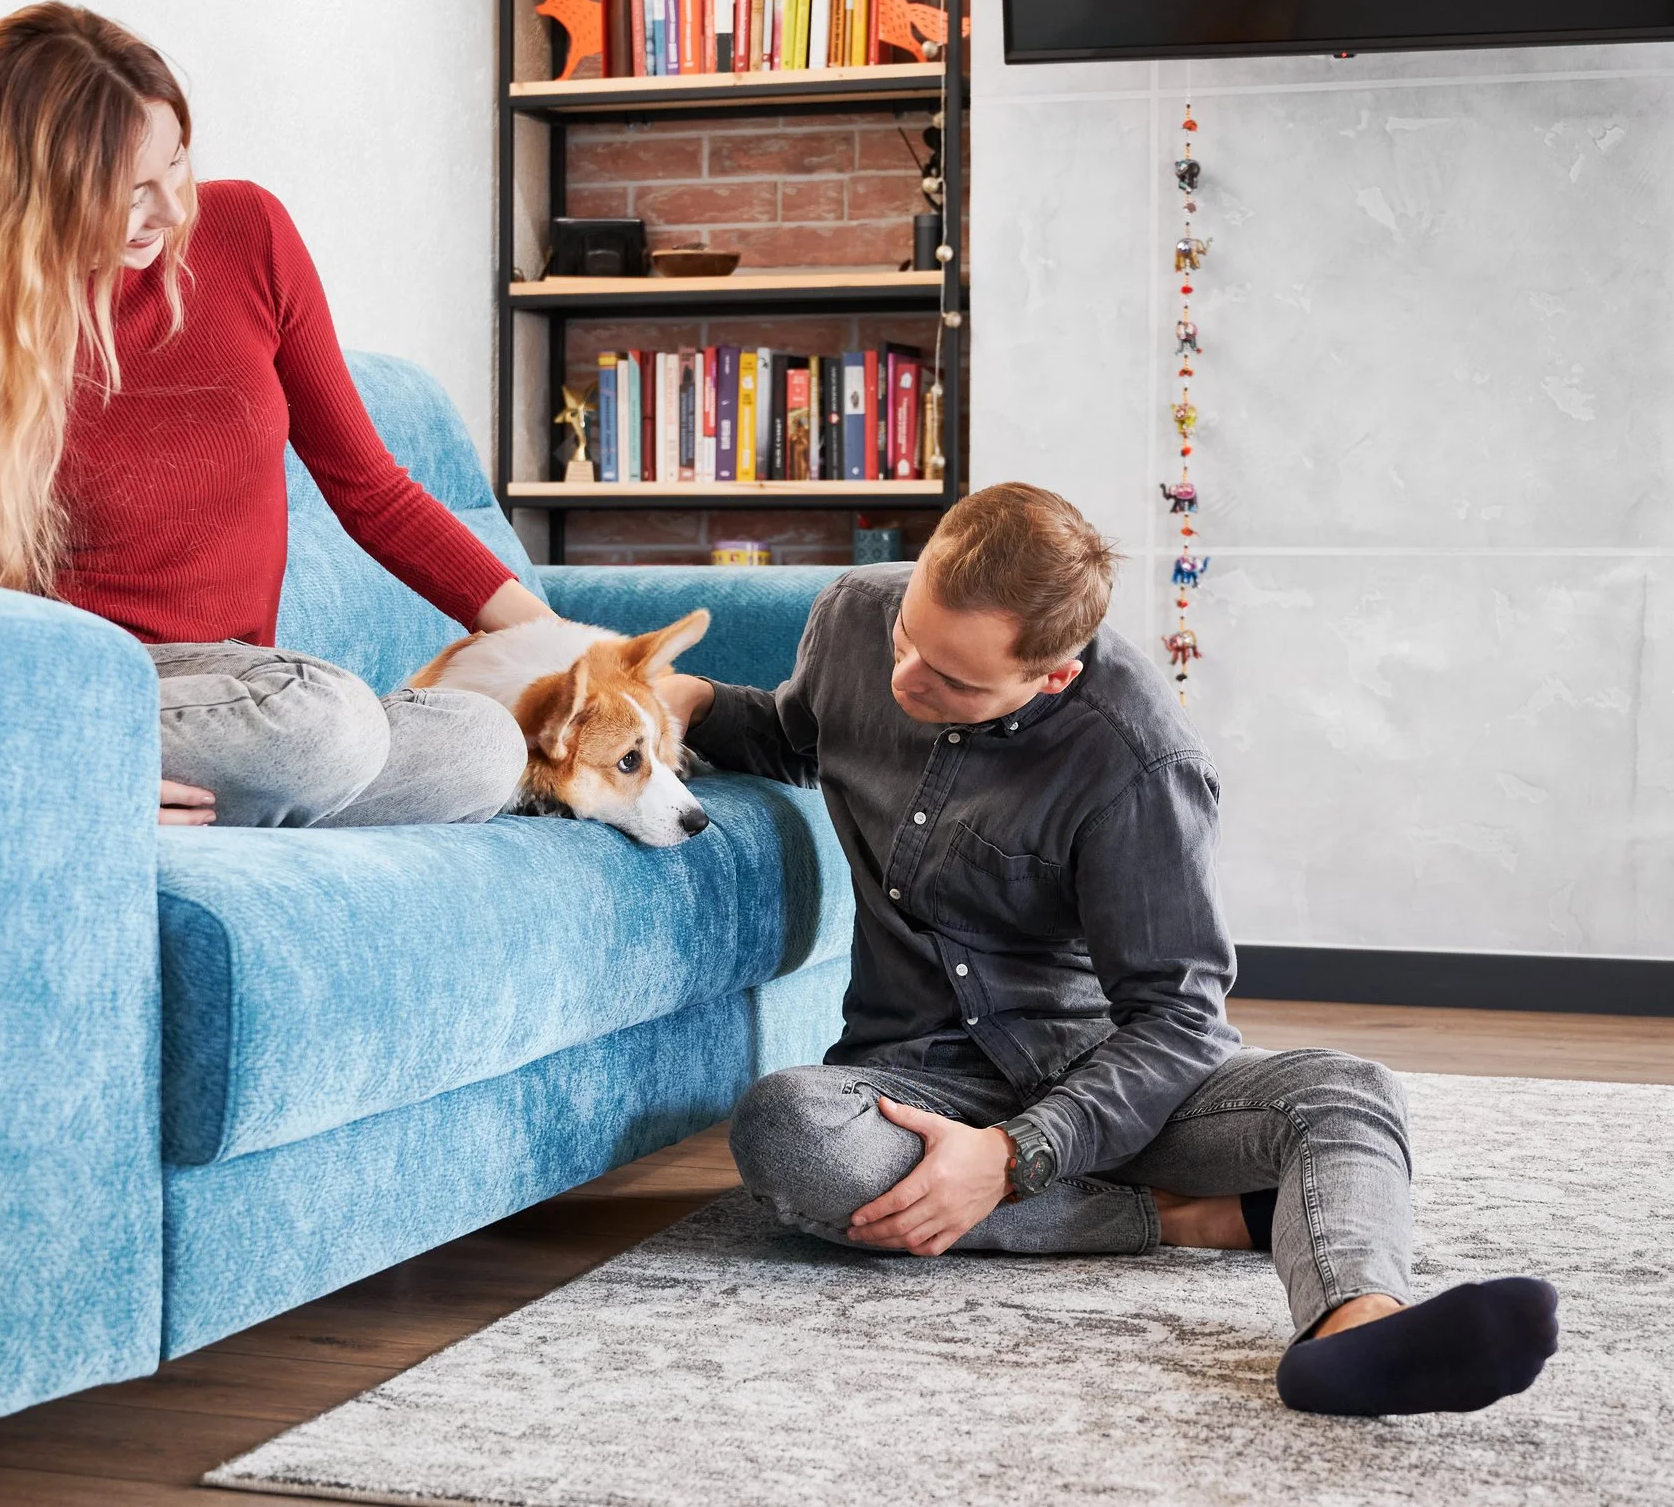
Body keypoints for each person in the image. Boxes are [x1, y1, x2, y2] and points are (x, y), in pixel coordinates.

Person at [655, 483, 1559, 1416]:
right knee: (788, 1132)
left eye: (954, 681)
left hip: (1101, 1075)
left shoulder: (1139, 765)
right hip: (914, 1076)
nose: (907, 681)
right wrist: (691, 701)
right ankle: (1187, 1217)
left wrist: (1014, 1156)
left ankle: (1356, 1323)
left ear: (1052, 675)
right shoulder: (856, 616)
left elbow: (1175, 1019)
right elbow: (800, 732)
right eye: (908, 641)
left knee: (1347, 1092)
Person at [0, 2, 543, 829]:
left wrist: (569, 653)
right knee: (325, 725)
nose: (173, 210)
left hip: (245, 693)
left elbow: (372, 490)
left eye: (177, 164)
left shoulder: (249, 233)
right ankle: (101, 794)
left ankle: (225, 799)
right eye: (131, 191)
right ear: (35, 194)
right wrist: (80, 782)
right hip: (92, 698)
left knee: (484, 746)